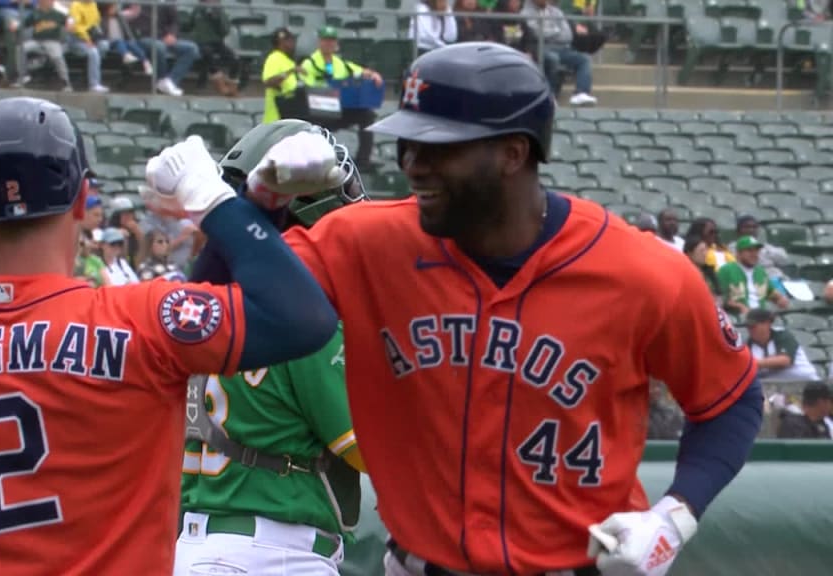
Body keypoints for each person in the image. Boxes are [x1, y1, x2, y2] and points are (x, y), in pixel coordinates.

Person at [192, 43, 763, 576]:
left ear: (514, 153)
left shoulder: (637, 270)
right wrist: (256, 205)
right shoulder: (367, 242)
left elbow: (732, 397)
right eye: (407, 143)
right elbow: (211, 313)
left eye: (439, 148)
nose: (414, 163)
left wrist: (676, 513)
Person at [0, 97, 339, 574]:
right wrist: (218, 203)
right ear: (83, 198)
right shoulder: (137, 321)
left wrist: (255, 204)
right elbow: (302, 317)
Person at [176, 120, 369, 576]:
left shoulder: (196, 302)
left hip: (193, 544)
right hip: (275, 551)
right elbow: (368, 449)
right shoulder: (302, 313)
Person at [299, 26, 383, 169]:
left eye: (332, 40)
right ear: (320, 42)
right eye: (326, 40)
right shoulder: (309, 63)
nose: (329, 43)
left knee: (367, 115)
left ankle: (363, 161)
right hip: (319, 110)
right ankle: (319, 161)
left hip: (340, 108)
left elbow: (360, 71)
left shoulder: (340, 63)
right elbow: (308, 87)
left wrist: (373, 74)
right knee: (315, 121)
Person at [717, 236, 790, 318]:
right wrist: (739, 307)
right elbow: (719, 299)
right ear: (738, 253)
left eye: (756, 250)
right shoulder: (726, 270)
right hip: (737, 318)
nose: (754, 254)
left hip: (760, 317)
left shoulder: (760, 271)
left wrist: (780, 299)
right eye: (749, 250)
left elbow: (771, 292)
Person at [261, 27, 302, 124]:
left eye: (292, 40)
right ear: (280, 43)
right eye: (288, 40)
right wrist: (290, 72)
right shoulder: (274, 58)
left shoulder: (289, 61)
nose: (292, 43)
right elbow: (269, 82)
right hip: (276, 119)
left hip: (289, 117)